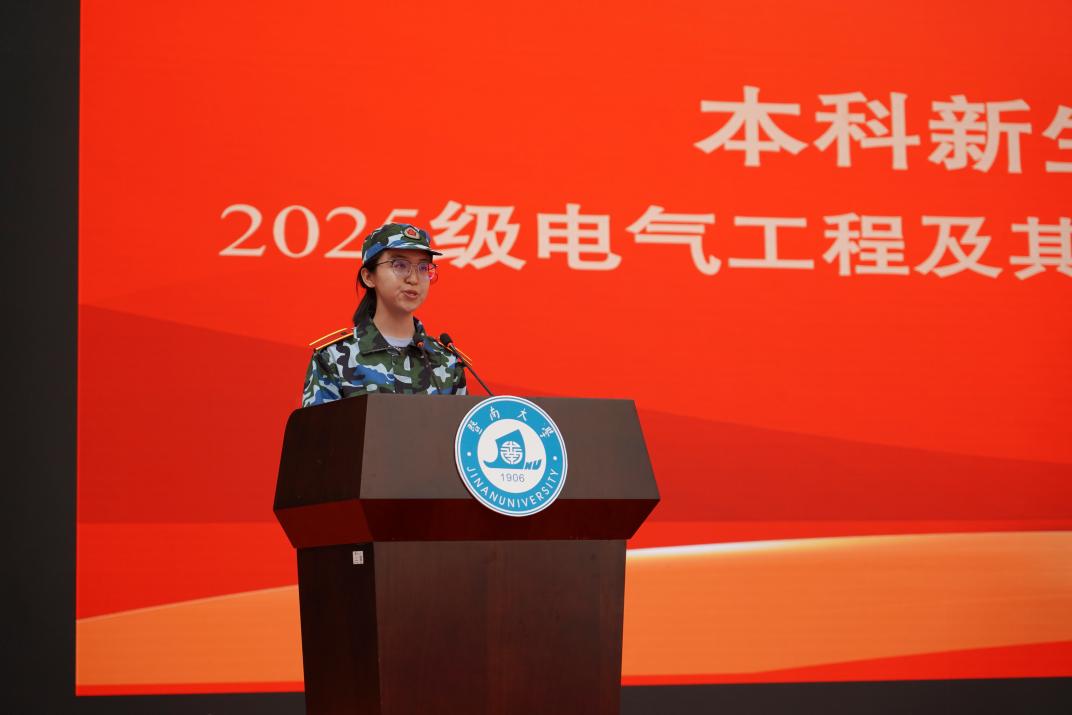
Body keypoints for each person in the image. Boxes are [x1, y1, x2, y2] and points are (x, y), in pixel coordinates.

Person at [301, 223, 467, 406]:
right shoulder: (333, 357)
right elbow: (318, 425)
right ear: (368, 277)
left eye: (423, 267)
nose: (413, 279)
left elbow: (460, 424)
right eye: (400, 265)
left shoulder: (447, 361)